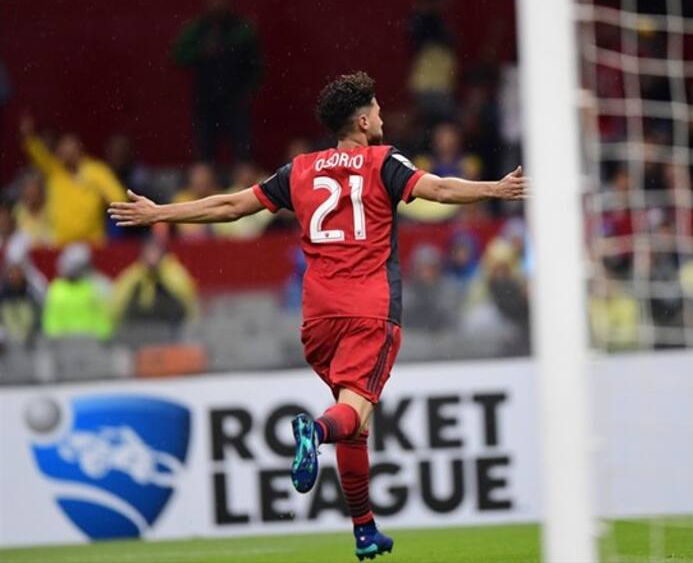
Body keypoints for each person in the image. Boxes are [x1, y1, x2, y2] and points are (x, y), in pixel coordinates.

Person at [109, 71, 526, 560]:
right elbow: (437, 191)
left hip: (317, 318)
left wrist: (161, 214)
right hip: (369, 310)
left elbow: (231, 206)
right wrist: (495, 191)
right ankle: (314, 431)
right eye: (378, 109)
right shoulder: (382, 162)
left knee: (354, 418)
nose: (384, 117)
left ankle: (364, 529)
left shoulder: (300, 170)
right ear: (364, 118)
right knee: (347, 416)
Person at [172, 0, 265, 162]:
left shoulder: (242, 29)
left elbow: (257, 66)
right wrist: (201, 51)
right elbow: (177, 56)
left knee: (242, 153)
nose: (218, 4)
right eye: (214, 0)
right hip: (205, 103)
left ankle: (242, 186)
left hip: (235, 102)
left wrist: (247, 92)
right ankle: (205, 186)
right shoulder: (198, 29)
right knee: (205, 153)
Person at [20, 115, 126, 246]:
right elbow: (37, 154)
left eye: (69, 146)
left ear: (79, 148)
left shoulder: (96, 171)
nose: (65, 151)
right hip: (60, 245)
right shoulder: (55, 171)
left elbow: (119, 199)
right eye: (62, 147)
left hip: (92, 246)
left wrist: (102, 197)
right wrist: (28, 136)